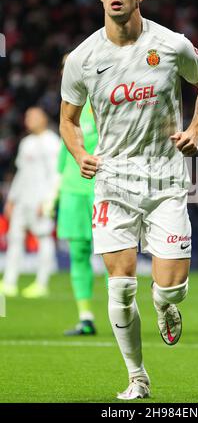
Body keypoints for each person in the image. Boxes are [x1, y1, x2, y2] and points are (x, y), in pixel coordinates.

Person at [60, 0, 198, 399]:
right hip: (113, 181)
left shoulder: (171, 45)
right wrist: (79, 153)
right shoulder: (82, 58)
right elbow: (68, 121)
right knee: (121, 287)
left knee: (171, 293)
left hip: (166, 180)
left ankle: (165, 305)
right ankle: (137, 378)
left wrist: (195, 130)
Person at [55, 54, 100, 335]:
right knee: (79, 254)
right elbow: (63, 154)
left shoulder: (105, 102)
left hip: (102, 188)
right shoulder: (68, 110)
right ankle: (86, 318)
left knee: (113, 254)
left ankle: (121, 313)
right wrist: (55, 193)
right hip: (73, 191)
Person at [0, 107, 60, 298]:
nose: (28, 119)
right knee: (14, 239)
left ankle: (41, 283)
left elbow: (56, 175)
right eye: (27, 116)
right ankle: (9, 282)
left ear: (44, 118)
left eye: (33, 116)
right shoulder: (26, 142)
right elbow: (20, 173)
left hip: (40, 200)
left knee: (43, 238)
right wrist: (11, 199)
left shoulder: (52, 142)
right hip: (22, 201)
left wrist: (49, 200)